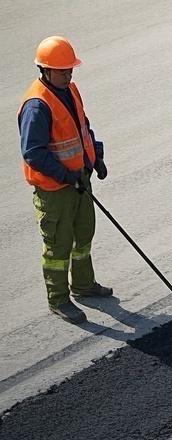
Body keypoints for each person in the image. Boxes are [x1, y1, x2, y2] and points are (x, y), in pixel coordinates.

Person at [18, 36, 113, 324]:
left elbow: (82, 126)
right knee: (58, 247)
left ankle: (83, 285)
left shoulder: (70, 89)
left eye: (70, 69)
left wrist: (95, 156)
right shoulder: (37, 106)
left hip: (78, 180)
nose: (68, 74)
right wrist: (65, 176)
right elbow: (33, 153)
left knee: (83, 235)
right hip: (55, 190)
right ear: (45, 70)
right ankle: (58, 299)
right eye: (62, 70)